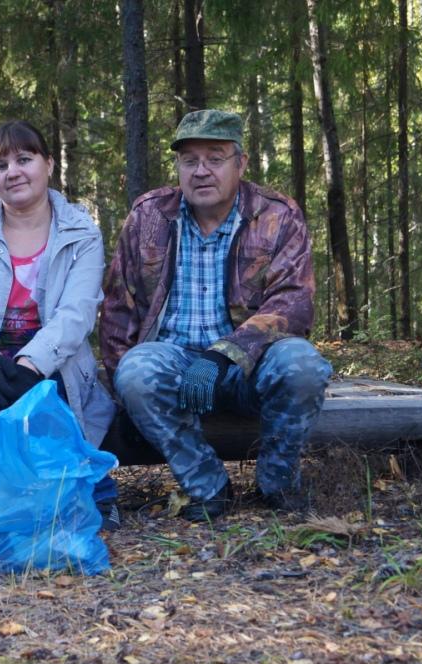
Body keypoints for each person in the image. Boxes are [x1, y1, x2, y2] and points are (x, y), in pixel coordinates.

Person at [100, 109, 332, 521]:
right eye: (190, 160)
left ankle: (277, 483)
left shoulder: (277, 215)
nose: (201, 171)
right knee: (135, 372)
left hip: (251, 364)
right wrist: (125, 396)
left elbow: (293, 303)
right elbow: (120, 308)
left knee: (303, 364)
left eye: (215, 158)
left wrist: (225, 353)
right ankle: (207, 485)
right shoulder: (149, 216)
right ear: (178, 167)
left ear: (240, 163)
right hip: (173, 360)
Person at [0, 120, 119, 530]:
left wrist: (30, 364)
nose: (13, 172)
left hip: (57, 359)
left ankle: (85, 491)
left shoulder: (81, 232)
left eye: (24, 159)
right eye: (0, 164)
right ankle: (13, 498)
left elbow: (77, 313)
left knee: (45, 390)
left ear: (49, 165)